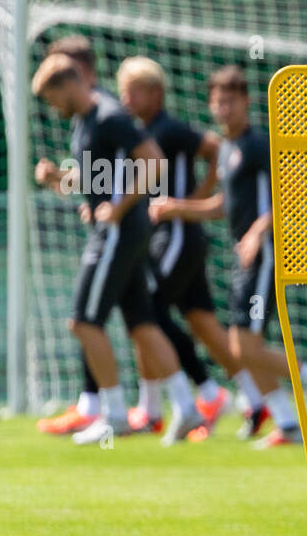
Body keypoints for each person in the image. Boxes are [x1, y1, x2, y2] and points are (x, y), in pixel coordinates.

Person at [160, 65, 307, 447]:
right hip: (245, 257)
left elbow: (290, 193)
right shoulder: (226, 149)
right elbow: (224, 205)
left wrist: (258, 233)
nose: (224, 108)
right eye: (218, 101)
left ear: (245, 102)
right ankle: (289, 424)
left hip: (268, 254)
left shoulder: (259, 145)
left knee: (246, 345)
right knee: (244, 347)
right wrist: (178, 207)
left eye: (231, 101)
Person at [30, 53, 203, 446]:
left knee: (84, 323)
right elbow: (96, 179)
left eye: (53, 98)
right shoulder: (85, 122)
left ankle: (113, 415)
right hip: (119, 230)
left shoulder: (110, 115)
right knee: (141, 321)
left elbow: (154, 162)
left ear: (69, 85)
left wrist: (119, 207)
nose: (53, 107)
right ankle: (186, 405)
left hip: (119, 233)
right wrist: (58, 179)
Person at [115, 56, 240, 438]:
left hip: (178, 235)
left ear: (154, 93)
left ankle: (202, 393)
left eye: (133, 90)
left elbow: (216, 148)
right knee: (199, 319)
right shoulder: (143, 130)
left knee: (147, 312)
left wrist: (193, 199)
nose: (126, 98)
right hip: (167, 236)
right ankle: (252, 399)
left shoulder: (169, 130)